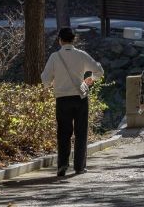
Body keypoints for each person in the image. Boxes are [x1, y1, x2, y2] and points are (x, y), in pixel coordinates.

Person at [41, 27, 104, 176]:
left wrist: (50, 85)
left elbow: (45, 79)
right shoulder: (81, 55)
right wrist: (91, 79)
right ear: (73, 39)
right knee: (81, 132)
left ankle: (62, 165)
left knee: (63, 132)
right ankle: (79, 166)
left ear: (60, 40)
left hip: (62, 99)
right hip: (80, 97)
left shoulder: (55, 57)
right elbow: (99, 71)